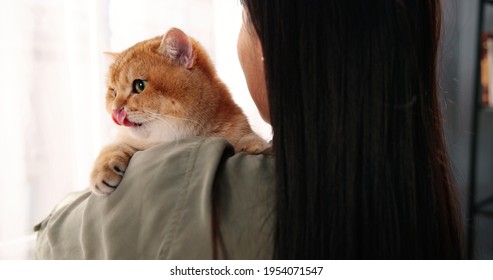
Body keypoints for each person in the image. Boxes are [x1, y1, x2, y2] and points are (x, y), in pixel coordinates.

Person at [35, 0, 464, 259]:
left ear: (272, 47)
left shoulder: (181, 188)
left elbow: (53, 242)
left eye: (244, 14)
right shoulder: (423, 202)